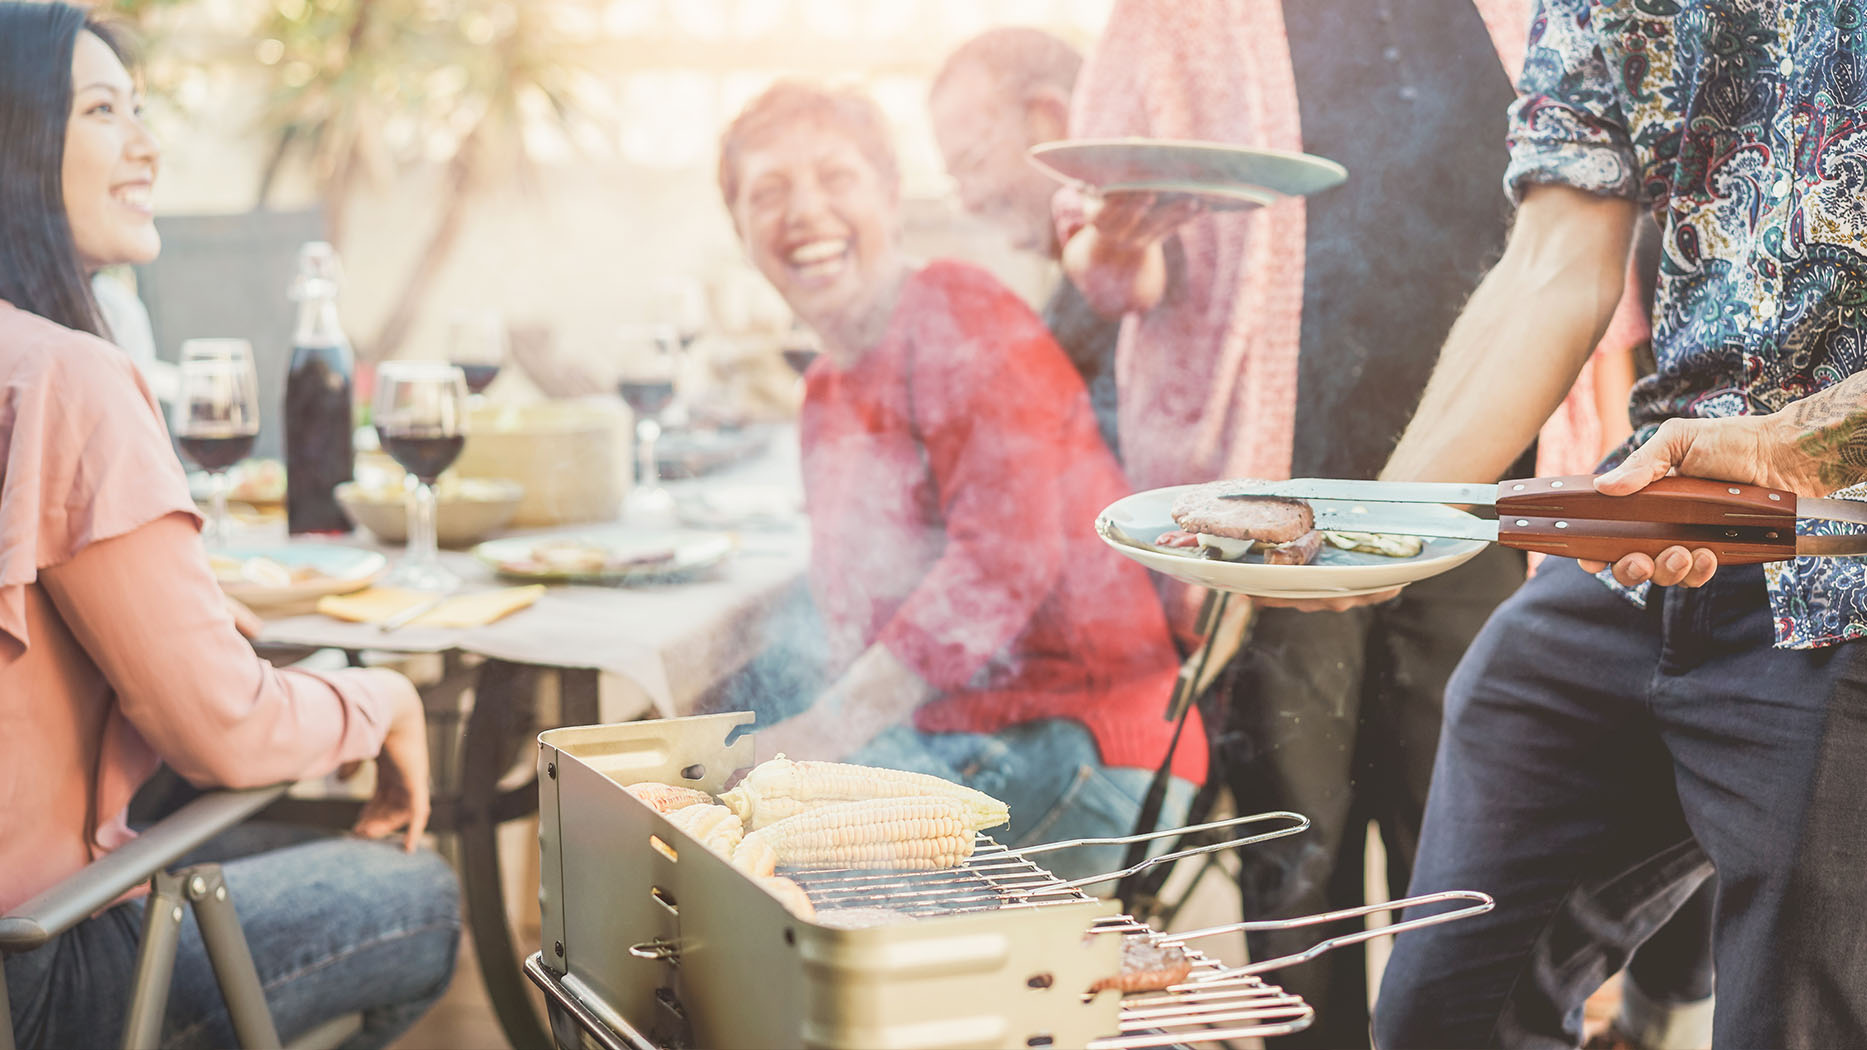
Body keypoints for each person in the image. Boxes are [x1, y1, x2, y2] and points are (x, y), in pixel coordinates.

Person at [1357, 2, 1867, 1046]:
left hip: (1848, 574)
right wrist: (1380, 520)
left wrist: (1797, 448)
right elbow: (1553, 260)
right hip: (1659, 534)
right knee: (1441, 1014)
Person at [1056, 4, 1532, 1043]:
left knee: (1461, 857)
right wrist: (1119, 234)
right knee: (1297, 858)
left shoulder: (1523, 12)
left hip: (1473, 504)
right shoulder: (1176, 17)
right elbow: (1105, 266)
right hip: (1273, 504)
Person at [0, 6, 458, 1047]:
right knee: (420, 897)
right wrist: (379, 698)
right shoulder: (66, 375)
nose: (147, 145)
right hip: (35, 973)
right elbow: (221, 732)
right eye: (103, 111)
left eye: (142, 110)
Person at [712, 80, 1203, 881]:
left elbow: (998, 566)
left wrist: (817, 735)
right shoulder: (823, 394)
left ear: (891, 197)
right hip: (955, 738)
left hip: (1074, 741)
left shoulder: (953, 308)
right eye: (768, 192)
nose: (803, 211)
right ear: (739, 231)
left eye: (835, 178)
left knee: (768, 895)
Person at [928, 26, 1121, 458]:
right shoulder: (1077, 290)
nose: (969, 201)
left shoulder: (1130, 273)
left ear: (1050, 121)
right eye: (954, 181)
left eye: (972, 163)